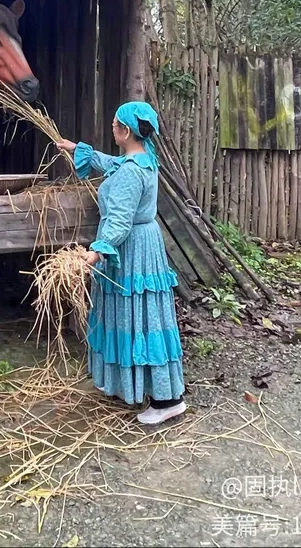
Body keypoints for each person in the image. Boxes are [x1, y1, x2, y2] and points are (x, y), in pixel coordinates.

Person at [57, 101, 186, 424]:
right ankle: (149, 390)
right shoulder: (142, 160)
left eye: (115, 124)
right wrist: (79, 150)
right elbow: (113, 164)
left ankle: (167, 401)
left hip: (130, 250)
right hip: (143, 245)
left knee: (139, 319)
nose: (112, 128)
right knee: (143, 317)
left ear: (126, 130)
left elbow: (119, 221)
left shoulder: (131, 172)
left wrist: (97, 251)